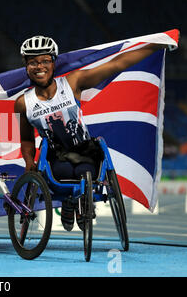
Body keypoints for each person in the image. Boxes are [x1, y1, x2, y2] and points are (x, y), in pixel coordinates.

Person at [14, 35, 167, 231]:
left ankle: (82, 203)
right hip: (55, 159)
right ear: (26, 66)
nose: (39, 66)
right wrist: (29, 161)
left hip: (85, 152)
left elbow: (116, 65)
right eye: (33, 62)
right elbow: (26, 138)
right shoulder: (22, 103)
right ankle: (70, 202)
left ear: (54, 63)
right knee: (65, 177)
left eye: (45, 61)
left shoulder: (72, 83)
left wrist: (156, 45)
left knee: (85, 172)